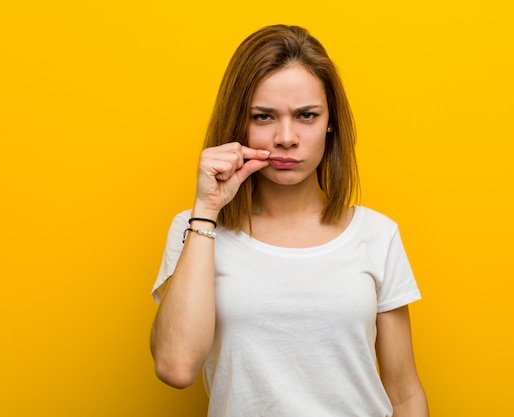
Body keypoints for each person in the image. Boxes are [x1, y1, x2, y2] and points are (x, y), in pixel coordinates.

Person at [150, 24, 429, 417]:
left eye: (306, 116)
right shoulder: (197, 228)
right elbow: (176, 367)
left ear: (330, 122)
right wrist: (207, 209)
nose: (285, 137)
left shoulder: (377, 235)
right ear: (239, 124)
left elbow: (404, 393)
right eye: (263, 117)